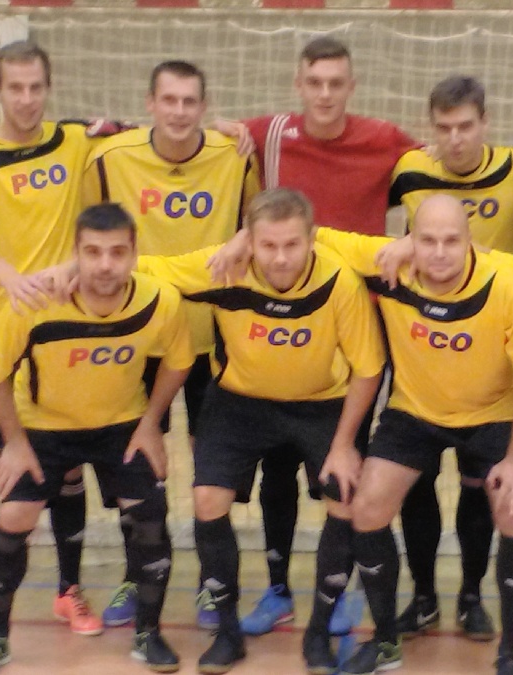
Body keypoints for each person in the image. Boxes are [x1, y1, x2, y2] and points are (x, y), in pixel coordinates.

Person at [136, 188, 385, 674]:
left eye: (292, 245)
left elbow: (368, 368)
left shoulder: (339, 280)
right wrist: (67, 272)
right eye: (268, 245)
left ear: (311, 239)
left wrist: (343, 445)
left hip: (322, 404)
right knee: (207, 500)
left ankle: (319, 634)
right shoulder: (223, 268)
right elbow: (147, 268)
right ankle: (228, 634)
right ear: (248, 241)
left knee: (344, 498)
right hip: (239, 403)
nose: (280, 258)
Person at [218, 35, 418, 636]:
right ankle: (278, 589)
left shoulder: (386, 140)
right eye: (315, 82)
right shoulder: (271, 134)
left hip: (356, 323)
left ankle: (343, 589)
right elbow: (202, 133)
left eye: (336, 83)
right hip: (281, 319)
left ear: (351, 87)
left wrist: (412, 241)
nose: (325, 93)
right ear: (298, 84)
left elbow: (443, 176)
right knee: (277, 469)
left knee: (344, 470)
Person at [312, 193, 513, 675]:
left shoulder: (506, 286)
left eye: (451, 241)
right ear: (409, 241)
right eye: (427, 240)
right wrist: (241, 241)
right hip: (413, 413)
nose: (439, 252)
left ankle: (508, 649)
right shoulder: (388, 264)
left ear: (470, 242)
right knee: (367, 507)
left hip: (491, 415)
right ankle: (385, 642)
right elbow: (312, 235)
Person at [0, 40, 113, 647]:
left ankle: (69, 590)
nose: (28, 99)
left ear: (48, 88)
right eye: (16, 88)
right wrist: (12, 280)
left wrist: (232, 132)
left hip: (59, 330)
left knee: (64, 461)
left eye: (37, 87)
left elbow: (151, 131)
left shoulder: (75, 140)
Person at [0, 203, 193, 674]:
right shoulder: (36, 303)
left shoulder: (160, 301)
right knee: (13, 517)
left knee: (150, 517)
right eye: (93, 252)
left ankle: (148, 634)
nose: (105, 264)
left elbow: (179, 360)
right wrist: (15, 442)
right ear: (76, 254)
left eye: (117, 253)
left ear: (134, 255)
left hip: (121, 425)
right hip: (45, 429)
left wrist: (151, 422)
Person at [82, 59, 260, 629]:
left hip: (212, 336)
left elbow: (255, 224)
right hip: (136, 337)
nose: (179, 111)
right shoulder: (110, 157)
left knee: (211, 468)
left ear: (204, 107)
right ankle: (140, 574)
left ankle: (213, 583)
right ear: (150, 104)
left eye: (190, 101)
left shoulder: (235, 155)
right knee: (136, 462)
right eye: (169, 100)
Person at [386, 75, 513, 642]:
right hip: (422, 348)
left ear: (485, 123)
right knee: (416, 482)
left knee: (481, 486)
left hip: (491, 356)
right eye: (444, 128)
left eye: (466, 126)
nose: (455, 138)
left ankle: (472, 596)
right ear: (430, 128)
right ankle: (423, 597)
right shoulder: (410, 170)